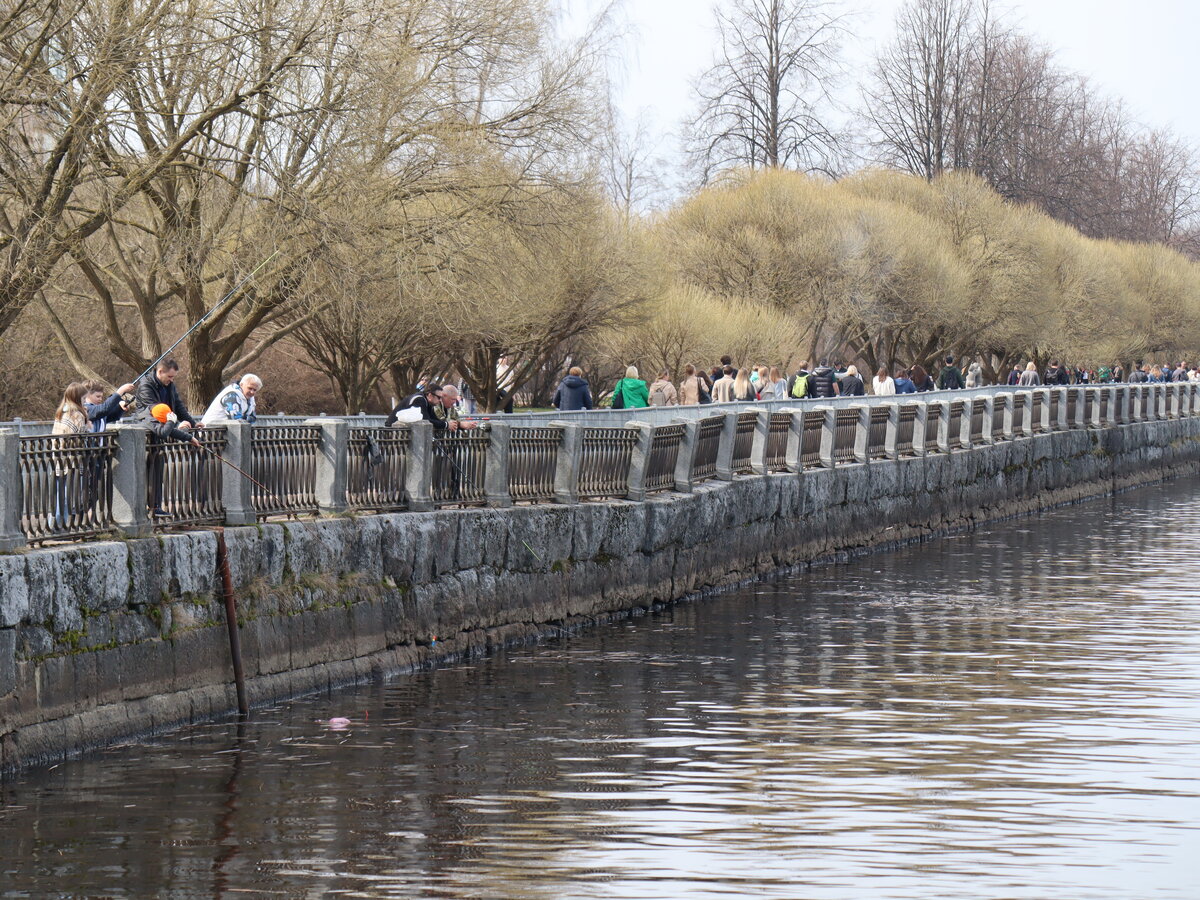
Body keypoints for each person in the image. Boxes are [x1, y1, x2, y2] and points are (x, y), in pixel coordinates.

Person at [387, 383, 478, 431]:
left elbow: (434, 419)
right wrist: (446, 425)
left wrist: (452, 424)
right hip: (393, 432)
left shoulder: (428, 402)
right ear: (430, 395)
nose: (440, 400)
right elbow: (425, 420)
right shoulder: (419, 400)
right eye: (439, 397)